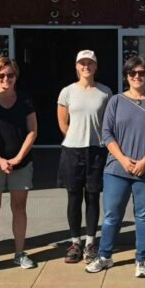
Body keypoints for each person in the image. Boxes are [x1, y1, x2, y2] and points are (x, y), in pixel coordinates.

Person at [86, 57, 145, 278]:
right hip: (117, 169)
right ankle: (105, 256)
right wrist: (122, 159)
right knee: (112, 216)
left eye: (141, 73)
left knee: (144, 216)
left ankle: (142, 259)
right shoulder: (116, 101)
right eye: (132, 73)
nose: (137, 77)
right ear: (126, 76)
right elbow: (106, 133)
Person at [0, 56, 38, 271]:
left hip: (21, 162)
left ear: (16, 76)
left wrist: (19, 157)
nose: (5, 79)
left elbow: (32, 131)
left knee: (19, 208)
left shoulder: (25, 99)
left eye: (10, 75)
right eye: (1, 75)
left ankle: (19, 253)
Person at [57, 50, 112, 263]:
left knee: (92, 196)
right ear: (77, 67)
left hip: (96, 150)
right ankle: (75, 242)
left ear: (96, 66)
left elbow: (108, 122)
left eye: (90, 63)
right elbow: (63, 122)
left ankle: (90, 242)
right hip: (72, 150)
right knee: (73, 197)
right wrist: (74, 136)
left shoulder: (105, 92)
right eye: (82, 63)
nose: (86, 66)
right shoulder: (67, 92)